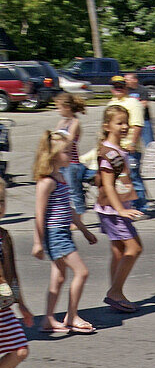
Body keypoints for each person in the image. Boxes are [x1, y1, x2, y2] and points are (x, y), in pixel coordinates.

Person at [31, 132, 98, 335]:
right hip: (55, 234)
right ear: (53, 155)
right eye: (67, 152)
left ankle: (48, 319)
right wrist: (37, 242)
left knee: (59, 277)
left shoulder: (60, 177)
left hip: (63, 232)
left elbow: (68, 210)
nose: (71, 156)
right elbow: (39, 214)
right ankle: (72, 316)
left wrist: (85, 231)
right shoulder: (47, 182)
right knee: (82, 272)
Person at [95, 104, 145, 312]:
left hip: (113, 209)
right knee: (134, 248)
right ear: (107, 126)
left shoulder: (117, 150)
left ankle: (116, 293)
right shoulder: (108, 153)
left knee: (118, 251)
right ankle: (114, 292)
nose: (124, 126)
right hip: (113, 210)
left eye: (126, 122)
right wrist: (121, 210)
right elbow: (107, 184)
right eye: (119, 123)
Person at [0, 177, 32, 368]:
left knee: (20, 350)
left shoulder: (4, 236)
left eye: (1, 201)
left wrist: (22, 303)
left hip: (4, 307)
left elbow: (12, 274)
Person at [108, 76, 151, 214]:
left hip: (128, 148)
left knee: (133, 177)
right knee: (119, 179)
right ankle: (126, 206)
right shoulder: (111, 103)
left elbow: (137, 125)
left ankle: (141, 207)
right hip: (114, 148)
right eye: (115, 86)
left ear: (126, 87)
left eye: (121, 86)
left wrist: (132, 143)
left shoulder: (133, 103)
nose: (118, 88)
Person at [54, 93, 95, 214]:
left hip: (71, 162)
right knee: (61, 189)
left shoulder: (75, 122)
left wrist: (58, 141)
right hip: (60, 160)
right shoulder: (62, 122)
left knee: (73, 190)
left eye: (59, 107)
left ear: (67, 107)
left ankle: (79, 216)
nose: (58, 110)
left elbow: (70, 140)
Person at [124, 71, 155, 147]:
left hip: (144, 120)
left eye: (127, 80)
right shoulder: (126, 90)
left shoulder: (142, 90)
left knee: (149, 142)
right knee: (130, 142)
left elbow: (144, 104)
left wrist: (131, 106)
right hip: (131, 120)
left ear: (135, 80)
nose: (125, 82)